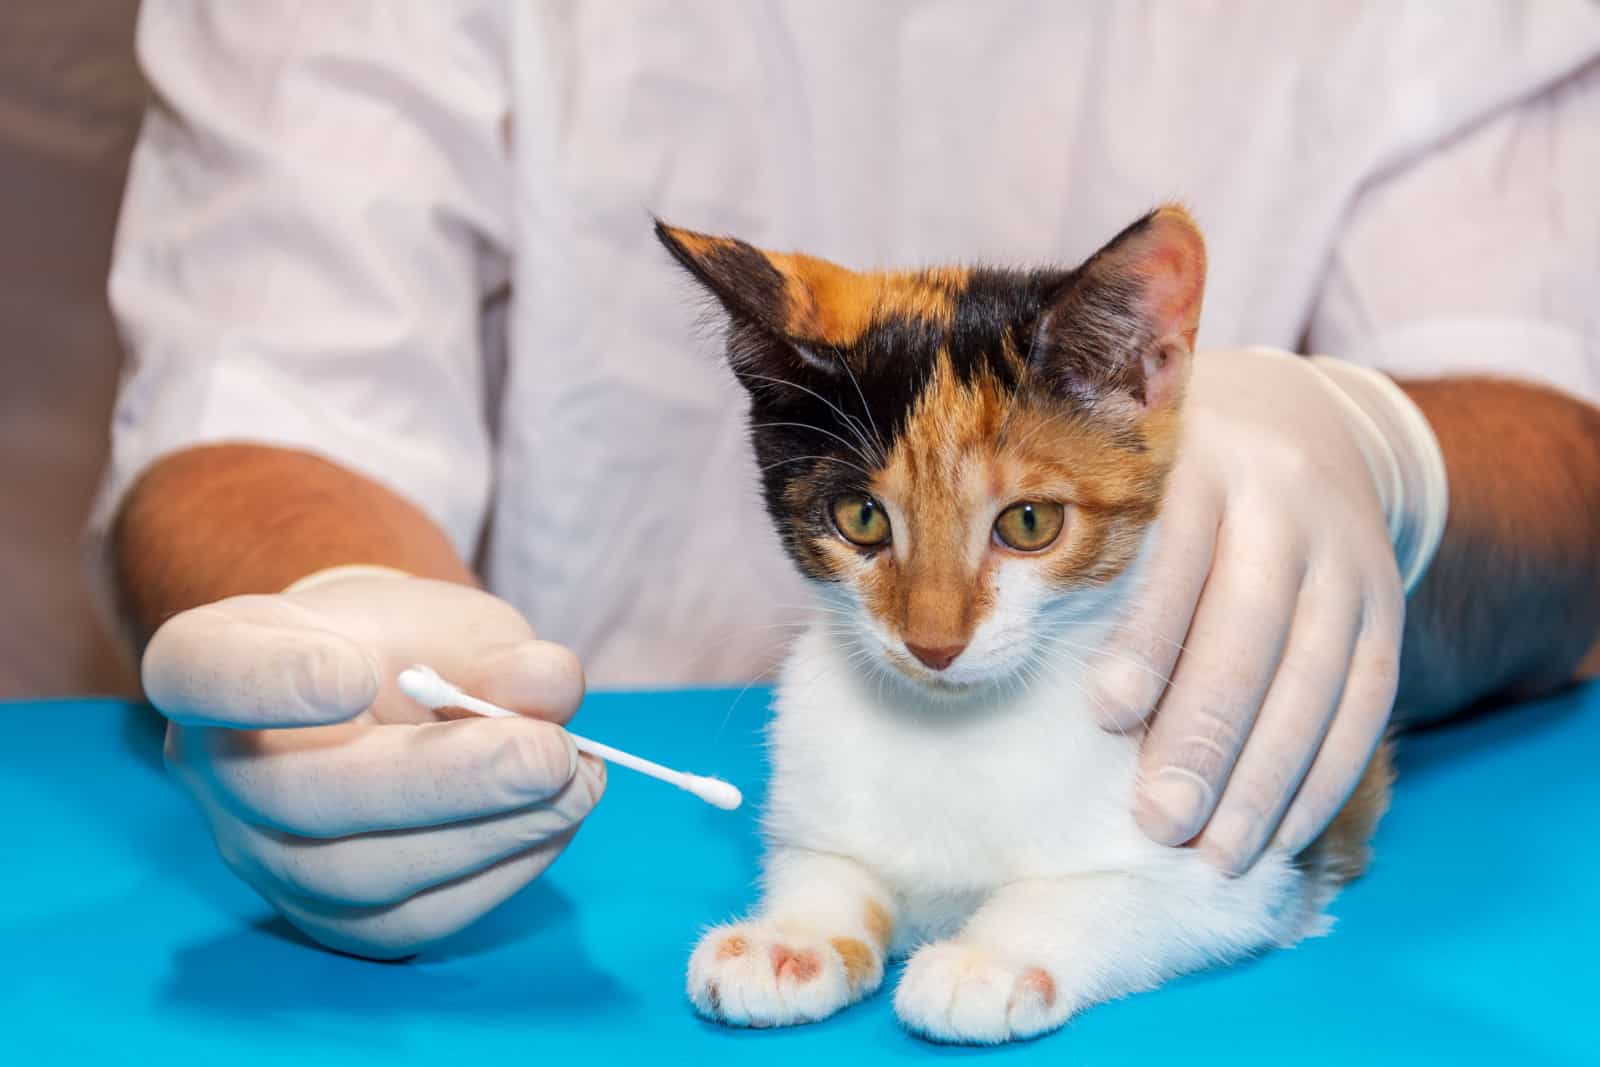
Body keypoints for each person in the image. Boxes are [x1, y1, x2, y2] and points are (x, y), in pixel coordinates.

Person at [96, 2, 1600, 960]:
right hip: (581, 814)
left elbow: (1559, 445)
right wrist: (337, 638)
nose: (939, 620)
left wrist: (1381, 462)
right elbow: (264, 386)